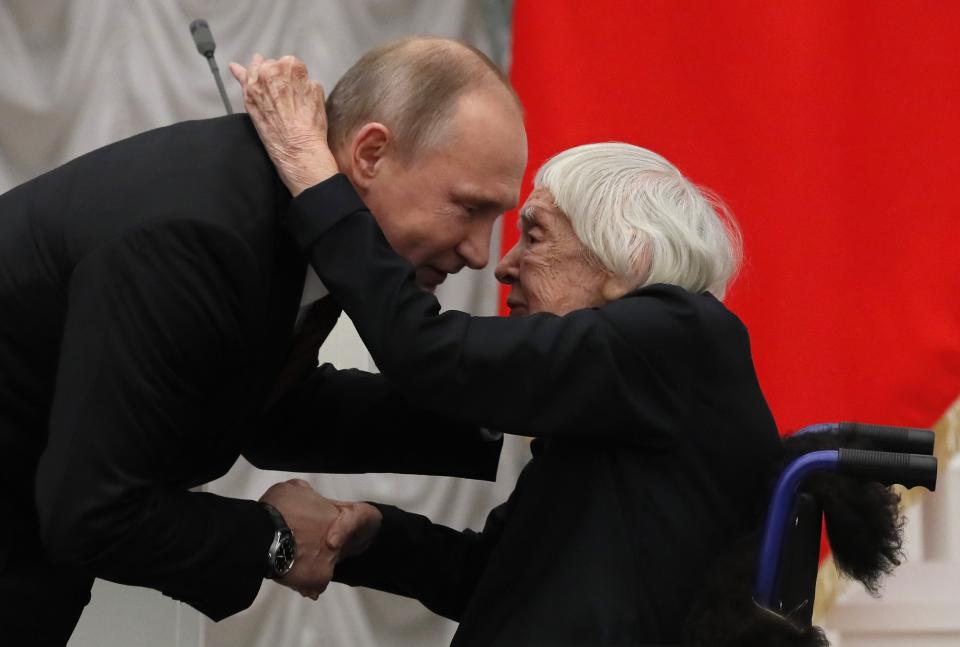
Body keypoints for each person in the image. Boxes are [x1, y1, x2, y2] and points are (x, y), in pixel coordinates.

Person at [234, 58, 783, 645]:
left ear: (629, 262)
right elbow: (497, 581)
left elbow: (429, 354)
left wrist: (313, 175)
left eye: (536, 234)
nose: (502, 265)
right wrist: (376, 535)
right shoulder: (625, 381)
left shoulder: (681, 333)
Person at [0, 38, 525, 644]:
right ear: (371, 153)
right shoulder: (203, 238)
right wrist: (274, 539)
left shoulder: (271, 210)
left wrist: (509, 407)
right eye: (466, 208)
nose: (480, 254)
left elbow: (266, 407)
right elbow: (92, 514)